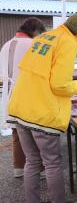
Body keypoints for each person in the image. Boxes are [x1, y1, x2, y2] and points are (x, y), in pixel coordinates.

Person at [7, 13, 77, 203]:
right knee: (52, 163)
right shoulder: (68, 42)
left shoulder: (45, 37)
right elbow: (60, 85)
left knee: (32, 161)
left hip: (21, 107)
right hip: (42, 112)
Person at [0, 17, 46, 178]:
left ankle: (18, 167)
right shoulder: (32, 45)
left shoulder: (6, 45)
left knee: (16, 132)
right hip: (27, 94)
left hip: (9, 94)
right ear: (35, 32)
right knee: (35, 132)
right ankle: (39, 169)